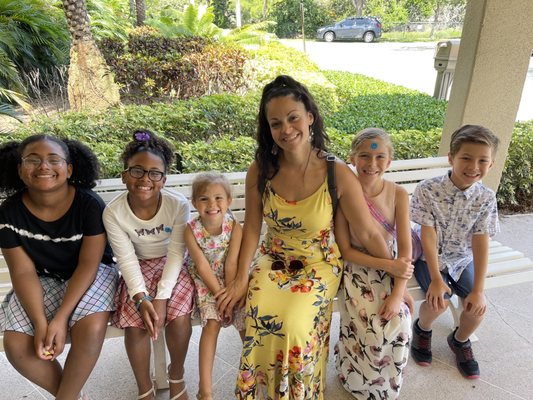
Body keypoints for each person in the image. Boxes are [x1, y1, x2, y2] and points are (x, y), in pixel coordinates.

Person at [216, 75, 394, 400]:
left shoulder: (335, 172)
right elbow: (253, 228)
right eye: (276, 123)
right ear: (267, 129)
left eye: (293, 117)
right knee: (259, 319)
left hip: (319, 265)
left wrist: (395, 275)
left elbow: (367, 231)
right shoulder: (261, 169)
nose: (286, 129)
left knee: (295, 327)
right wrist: (241, 278)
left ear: (309, 117)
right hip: (272, 261)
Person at [0, 135, 118, 400]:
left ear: (69, 169)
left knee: (90, 327)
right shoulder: (9, 213)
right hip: (42, 277)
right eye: (33, 160)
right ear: (19, 169)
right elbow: (22, 272)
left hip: (92, 273)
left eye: (54, 160)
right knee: (17, 345)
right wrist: (42, 323)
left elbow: (90, 263)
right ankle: (72, 395)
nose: (44, 166)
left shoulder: (88, 205)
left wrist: (61, 318)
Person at [103, 131, 194, 400]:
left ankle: (176, 375)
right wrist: (142, 298)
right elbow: (126, 259)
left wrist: (163, 297)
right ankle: (145, 388)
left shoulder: (177, 205)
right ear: (124, 175)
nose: (145, 179)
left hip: (173, 265)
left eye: (155, 173)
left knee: (178, 317)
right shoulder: (114, 212)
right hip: (138, 267)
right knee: (135, 323)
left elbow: (177, 252)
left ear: (164, 179)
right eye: (137, 171)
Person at [409, 124, 500, 379]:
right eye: (466, 158)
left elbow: (481, 241)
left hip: (462, 258)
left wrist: (479, 290)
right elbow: (427, 234)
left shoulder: (486, 198)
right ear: (451, 158)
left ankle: (460, 340)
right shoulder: (428, 189)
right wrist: (437, 280)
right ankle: (423, 329)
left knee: (477, 308)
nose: (474, 167)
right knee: (439, 303)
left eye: (483, 160)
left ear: (491, 164)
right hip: (430, 257)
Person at [334, 128, 414, 399]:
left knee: (399, 321)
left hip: (392, 266)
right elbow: (346, 250)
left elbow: (405, 252)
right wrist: (388, 267)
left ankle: (385, 386)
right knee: (371, 322)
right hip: (358, 268)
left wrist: (399, 291)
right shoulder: (344, 195)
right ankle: (354, 377)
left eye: (380, 156)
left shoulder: (399, 195)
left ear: (389, 161)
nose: (372, 163)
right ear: (352, 159)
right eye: (365, 155)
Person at [184, 172, 244, 400]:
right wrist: (220, 297)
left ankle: (254, 375)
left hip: (232, 278)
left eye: (219, 198)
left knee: (243, 319)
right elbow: (201, 265)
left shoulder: (234, 227)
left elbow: (231, 263)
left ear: (228, 201)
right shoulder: (191, 230)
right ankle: (205, 390)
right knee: (212, 324)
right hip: (205, 281)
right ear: (195, 203)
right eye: (204, 199)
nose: (212, 204)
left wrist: (231, 297)